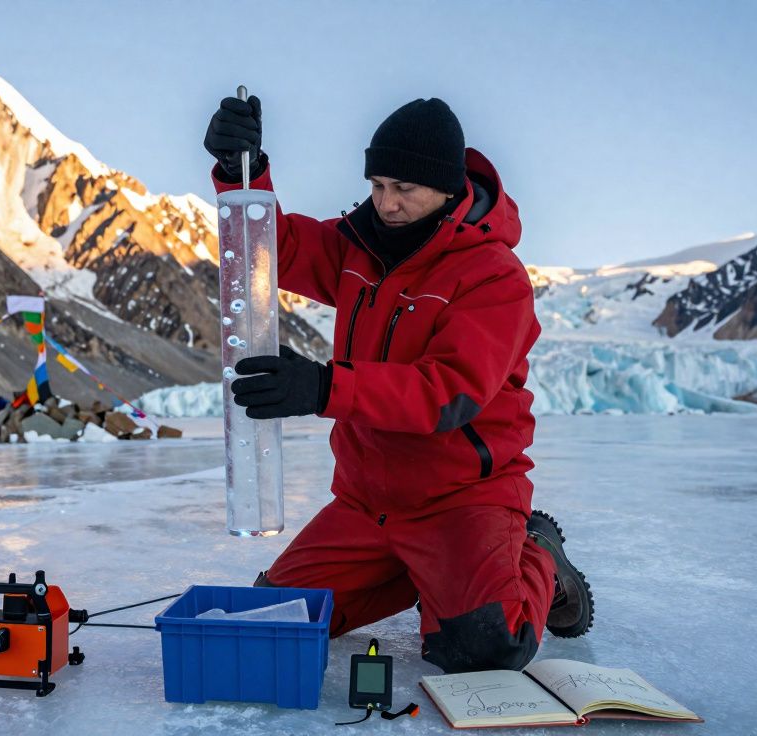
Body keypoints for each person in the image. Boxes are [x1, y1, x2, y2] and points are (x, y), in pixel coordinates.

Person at [204, 96, 593, 673]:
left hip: (459, 500)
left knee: (485, 648)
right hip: (367, 502)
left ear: (446, 187)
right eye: (378, 184)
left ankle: (536, 554)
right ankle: (425, 575)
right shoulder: (357, 247)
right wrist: (243, 169)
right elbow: (275, 249)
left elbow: (447, 393)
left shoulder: (493, 276)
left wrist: (321, 387)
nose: (386, 203)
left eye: (404, 188)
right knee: (275, 618)